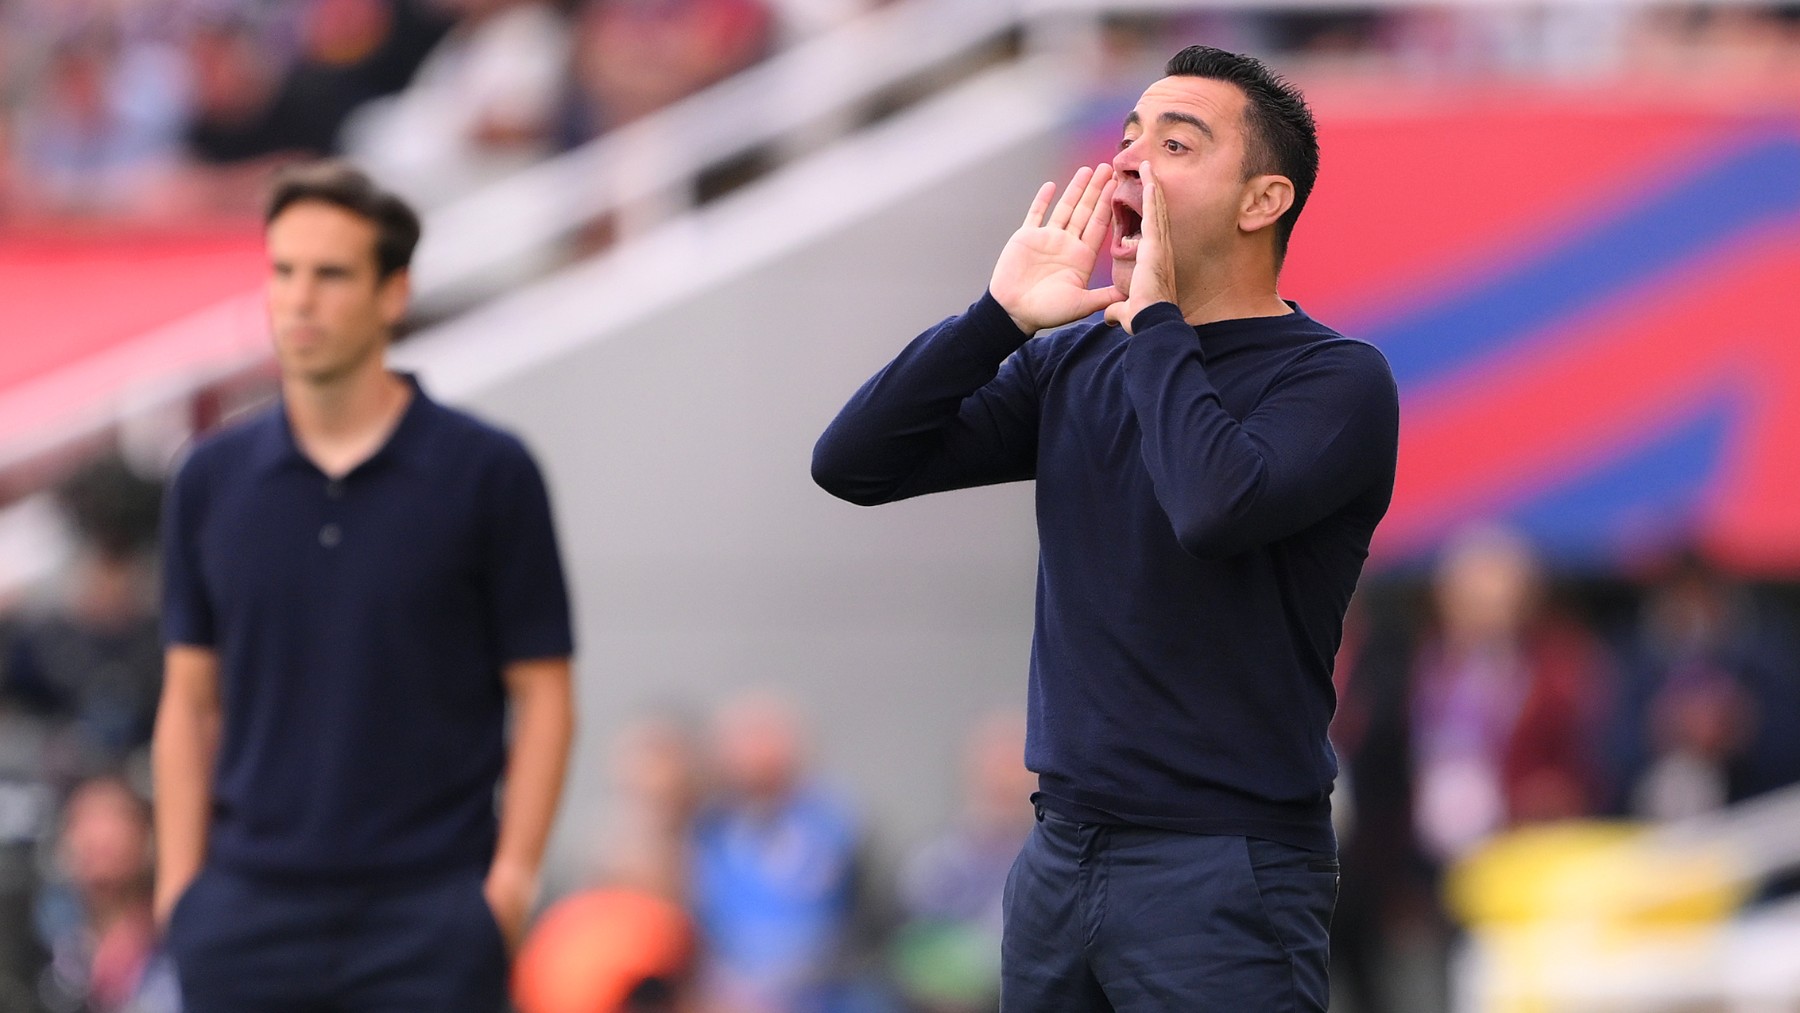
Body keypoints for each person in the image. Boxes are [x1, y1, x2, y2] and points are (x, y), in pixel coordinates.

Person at [812, 45, 1400, 1011]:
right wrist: (997, 319)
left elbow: (1214, 504)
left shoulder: (1334, 379)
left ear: (1263, 202)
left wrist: (1156, 315)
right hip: (1058, 853)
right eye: (1127, 136)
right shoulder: (1075, 362)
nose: (1129, 160)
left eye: (1177, 143)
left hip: (1227, 865)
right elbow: (854, 464)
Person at [152, 160, 577, 1011]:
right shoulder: (209, 477)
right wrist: (182, 891)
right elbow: (189, 700)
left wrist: (511, 884)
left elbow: (545, 694)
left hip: (427, 921)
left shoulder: (487, 473)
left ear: (393, 292)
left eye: (331, 274)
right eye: (283, 271)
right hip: (245, 919)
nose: (299, 298)